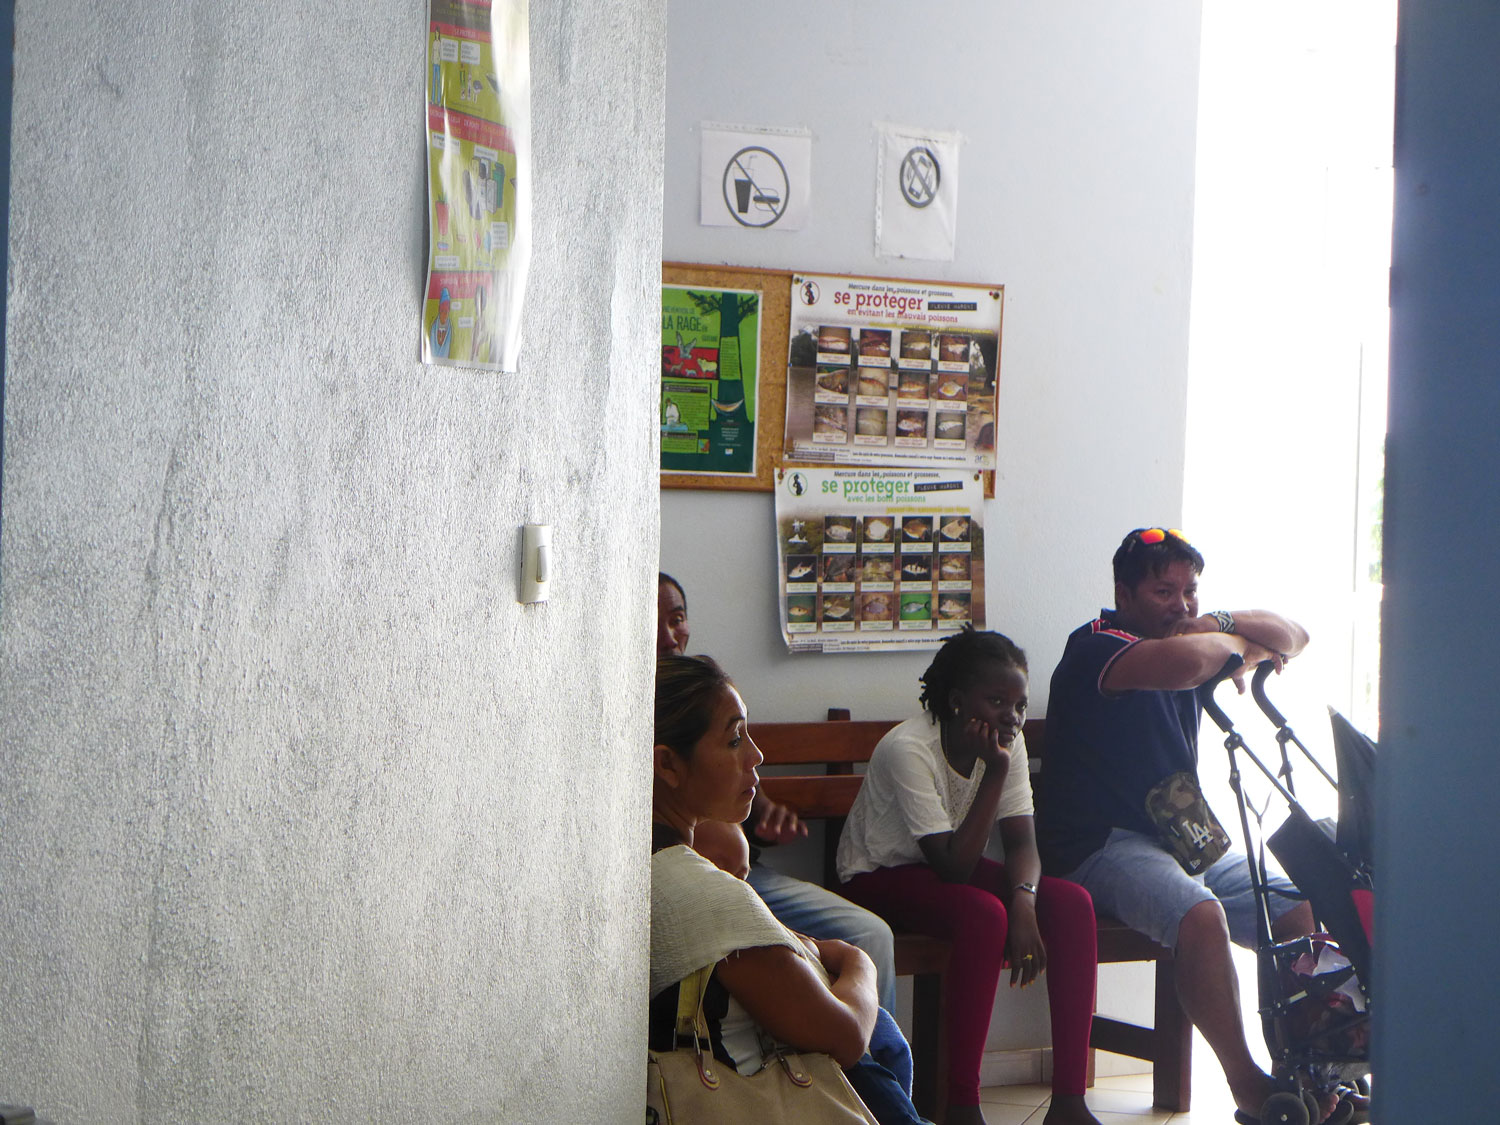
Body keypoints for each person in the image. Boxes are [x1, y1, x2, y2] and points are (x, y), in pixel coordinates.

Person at [1036, 527, 1335, 1124]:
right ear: (1123, 591)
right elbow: (1184, 665)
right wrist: (1230, 645)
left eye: (1191, 591)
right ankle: (1252, 1091)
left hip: (1182, 839)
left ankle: (1304, 1075)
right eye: (1163, 590)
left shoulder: (1199, 630)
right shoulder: (1096, 645)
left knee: (1300, 907)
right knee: (1202, 916)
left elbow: (1296, 636)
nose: (1181, 605)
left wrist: (1221, 621)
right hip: (1100, 846)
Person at [836, 629, 1102, 1125]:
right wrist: (995, 771)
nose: (1012, 716)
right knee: (983, 914)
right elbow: (952, 867)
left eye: (1019, 704)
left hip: (943, 867)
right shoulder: (909, 748)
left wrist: (1025, 904)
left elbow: (1023, 843)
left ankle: (1069, 1100)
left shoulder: (1009, 742)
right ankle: (963, 1105)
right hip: (877, 874)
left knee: (1070, 904)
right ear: (957, 701)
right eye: (997, 700)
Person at [649, 655, 900, 1118]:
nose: (756, 755)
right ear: (668, 765)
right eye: (733, 739)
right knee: (876, 1038)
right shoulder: (702, 895)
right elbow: (845, 1036)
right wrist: (856, 959)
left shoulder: (643, 863)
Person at [655, 571, 899, 1011]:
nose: (669, 634)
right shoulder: (643, 705)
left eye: (677, 617)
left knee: (868, 933)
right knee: (843, 968)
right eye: (654, 619)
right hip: (709, 879)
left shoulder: (706, 691)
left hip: (747, 874)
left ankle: (861, 1074)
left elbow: (741, 777)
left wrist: (765, 814)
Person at [693, 819, 930, 1125]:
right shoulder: (735, 945)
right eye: (721, 873)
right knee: (863, 1058)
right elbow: (848, 1040)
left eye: (743, 876)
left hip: (831, 1038)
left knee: (880, 1035)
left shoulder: (748, 920)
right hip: (796, 1059)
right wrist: (857, 961)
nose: (739, 888)